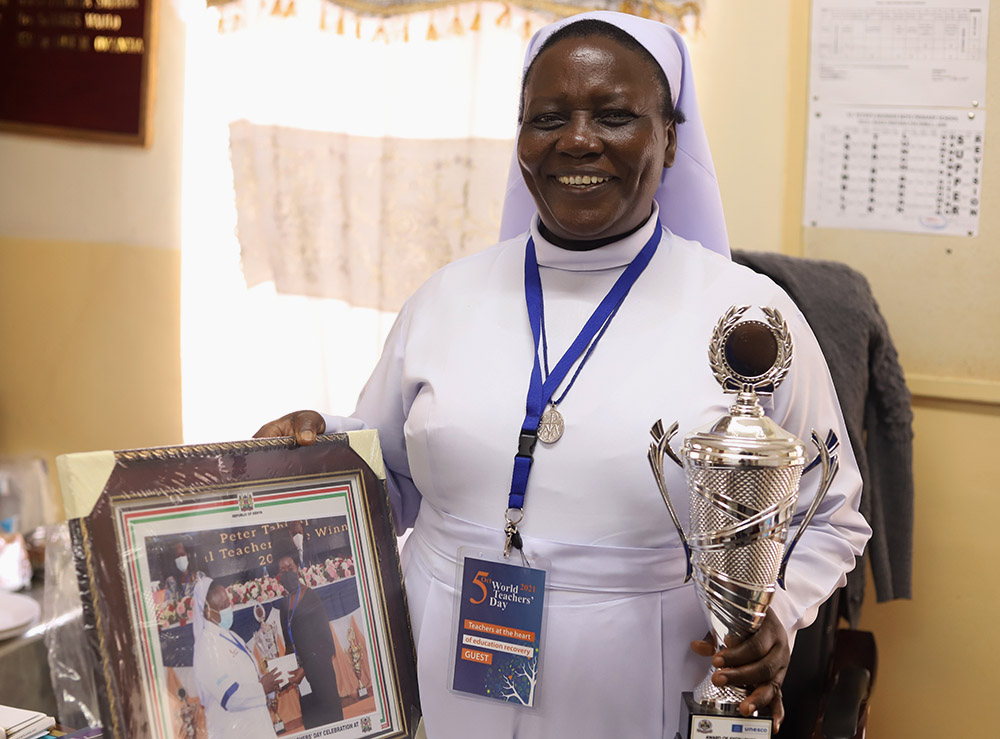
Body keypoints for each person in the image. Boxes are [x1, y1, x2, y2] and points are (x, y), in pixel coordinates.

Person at [255, 11, 871, 737]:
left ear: (669, 137)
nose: (578, 139)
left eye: (613, 115)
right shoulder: (444, 298)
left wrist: (781, 610)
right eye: (549, 117)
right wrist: (318, 444)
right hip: (442, 673)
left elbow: (830, 510)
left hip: (635, 687)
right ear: (520, 138)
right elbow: (387, 479)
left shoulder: (748, 322)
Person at [192, 577, 280, 738]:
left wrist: (271, 684)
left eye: (228, 603)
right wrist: (262, 688)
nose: (228, 609)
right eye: (223, 606)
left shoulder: (230, 635)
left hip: (258, 727)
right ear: (207, 611)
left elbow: (250, 676)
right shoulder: (206, 647)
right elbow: (229, 697)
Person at [276, 551, 345, 728]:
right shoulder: (284, 607)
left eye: (290, 568)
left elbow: (326, 644)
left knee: (332, 724)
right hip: (302, 680)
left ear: (297, 569)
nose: (287, 573)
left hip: (320, 672)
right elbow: (290, 645)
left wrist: (304, 669)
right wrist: (283, 674)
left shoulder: (311, 596)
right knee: (314, 726)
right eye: (282, 571)